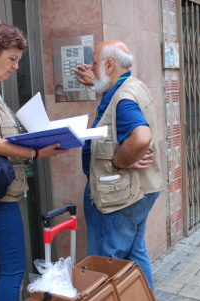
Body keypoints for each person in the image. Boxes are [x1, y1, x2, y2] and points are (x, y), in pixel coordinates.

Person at [0, 24, 67, 301]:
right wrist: (34, 154)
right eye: (12, 58)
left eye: (18, 59)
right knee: (14, 268)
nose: (16, 66)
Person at [74, 40, 164, 291]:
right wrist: (97, 83)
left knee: (106, 263)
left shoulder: (123, 99)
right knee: (135, 254)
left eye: (94, 62)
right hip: (140, 190)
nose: (91, 67)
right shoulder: (132, 85)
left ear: (110, 64)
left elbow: (141, 137)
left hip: (117, 197)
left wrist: (118, 161)